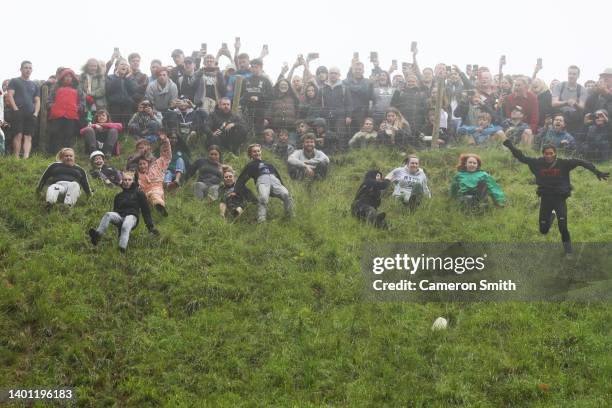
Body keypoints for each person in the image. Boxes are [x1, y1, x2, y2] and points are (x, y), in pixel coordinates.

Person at [503, 138, 609, 254]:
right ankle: (551, 216)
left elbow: (581, 162)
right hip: (545, 198)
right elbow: (521, 157)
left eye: (551, 153)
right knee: (543, 230)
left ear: (555, 154)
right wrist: (510, 146)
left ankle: (568, 252)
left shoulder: (564, 163)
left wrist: (597, 172)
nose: (548, 156)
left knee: (563, 227)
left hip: (560, 198)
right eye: (546, 154)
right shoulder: (537, 163)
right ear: (543, 154)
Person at [88, 171, 159, 253]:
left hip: (132, 217)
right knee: (108, 214)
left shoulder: (139, 194)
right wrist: (119, 232)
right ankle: (97, 235)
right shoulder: (118, 196)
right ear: (122, 180)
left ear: (133, 181)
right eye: (125, 180)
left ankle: (121, 249)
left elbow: (145, 211)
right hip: (120, 216)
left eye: (129, 180)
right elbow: (116, 211)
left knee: (126, 225)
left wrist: (150, 227)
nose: (127, 182)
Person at [234, 144, 294, 223]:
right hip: (262, 180)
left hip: (274, 181)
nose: (257, 153)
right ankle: (261, 220)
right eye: (254, 152)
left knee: (286, 194)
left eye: (258, 151)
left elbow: (277, 175)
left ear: (261, 152)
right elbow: (242, 178)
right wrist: (235, 191)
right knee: (263, 198)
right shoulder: (250, 165)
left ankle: (289, 217)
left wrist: (282, 185)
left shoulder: (269, 163)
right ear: (250, 154)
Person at [7, 61, 40, 159]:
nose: (28, 70)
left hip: (30, 113)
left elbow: (37, 100)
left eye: (30, 68)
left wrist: (36, 113)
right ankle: (16, 158)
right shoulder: (14, 81)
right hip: (18, 112)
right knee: (18, 135)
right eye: (26, 67)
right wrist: (15, 109)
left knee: (28, 136)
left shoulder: (34, 85)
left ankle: (25, 158)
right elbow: (10, 95)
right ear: (21, 69)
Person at [47, 68, 84, 154]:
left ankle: (66, 154)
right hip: (57, 115)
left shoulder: (78, 88)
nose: (68, 78)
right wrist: (53, 107)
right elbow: (49, 100)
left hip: (71, 115)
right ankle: (52, 153)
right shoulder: (56, 87)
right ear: (62, 78)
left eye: (70, 77)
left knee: (68, 134)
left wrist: (78, 108)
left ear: (73, 78)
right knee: (54, 133)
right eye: (66, 76)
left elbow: (82, 100)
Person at [136, 132, 171, 215]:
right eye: (139, 148)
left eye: (143, 147)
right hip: (142, 190)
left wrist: (165, 141)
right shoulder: (134, 163)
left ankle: (160, 207)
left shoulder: (156, 165)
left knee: (155, 194)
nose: (142, 150)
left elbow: (166, 156)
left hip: (156, 188)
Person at [240, 58, 273, 137]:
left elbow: (271, 96)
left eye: (256, 67)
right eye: (252, 67)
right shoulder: (245, 80)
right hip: (247, 109)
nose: (254, 69)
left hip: (261, 110)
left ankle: (258, 146)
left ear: (261, 68)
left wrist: (258, 98)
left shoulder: (266, 80)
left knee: (259, 132)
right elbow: (241, 95)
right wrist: (248, 99)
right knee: (246, 130)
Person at [551, 65, 586, 135]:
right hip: (560, 115)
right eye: (570, 73)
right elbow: (554, 103)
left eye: (574, 74)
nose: (571, 76)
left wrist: (575, 103)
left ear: (578, 76)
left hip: (574, 118)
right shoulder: (559, 86)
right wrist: (566, 103)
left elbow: (582, 107)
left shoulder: (582, 89)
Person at [106, 59, 138, 126]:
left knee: (127, 128)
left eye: (126, 65)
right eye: (122, 64)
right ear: (116, 67)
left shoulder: (130, 78)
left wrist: (128, 78)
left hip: (128, 107)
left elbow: (134, 90)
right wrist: (117, 78)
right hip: (114, 107)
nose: (124, 66)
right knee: (116, 127)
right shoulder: (110, 77)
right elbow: (109, 90)